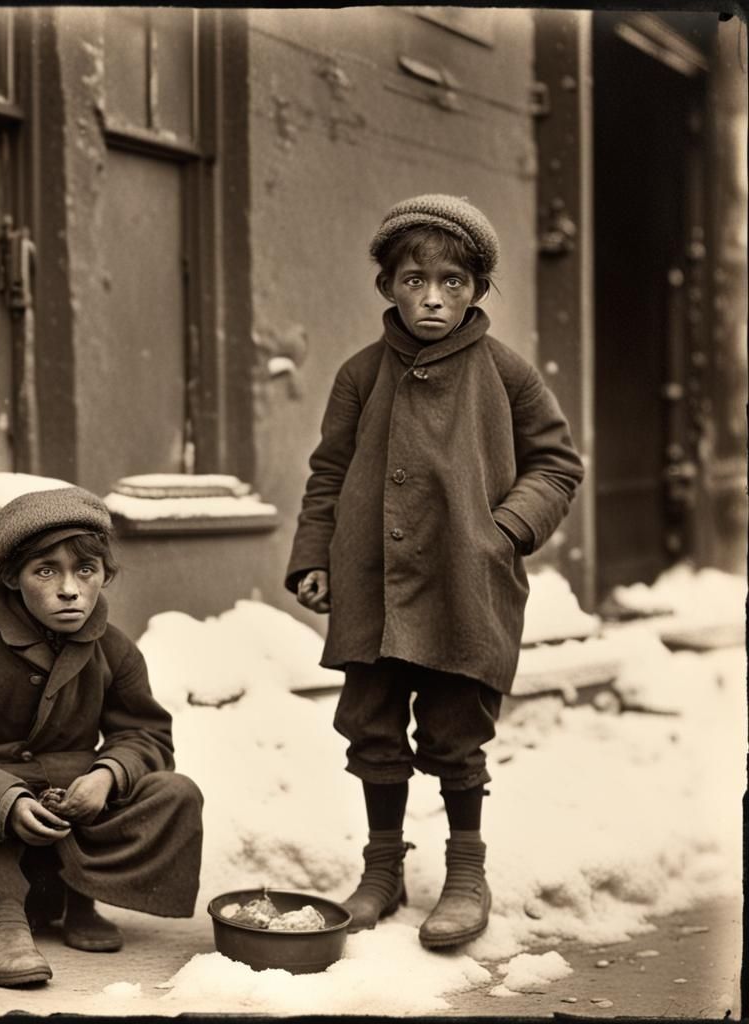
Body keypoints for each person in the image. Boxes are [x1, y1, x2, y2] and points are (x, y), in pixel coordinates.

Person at [285, 194, 584, 949]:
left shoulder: (507, 374)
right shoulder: (360, 375)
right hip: (372, 581)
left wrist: (503, 531)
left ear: (478, 290)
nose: (433, 297)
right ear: (387, 285)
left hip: (465, 579)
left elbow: (557, 464)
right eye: (415, 279)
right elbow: (328, 473)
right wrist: (314, 557)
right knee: (372, 726)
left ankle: (464, 872)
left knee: (456, 729)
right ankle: (382, 867)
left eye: (453, 282)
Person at [0, 486, 203, 988]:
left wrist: (107, 774)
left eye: (85, 570)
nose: (69, 589)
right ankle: (4, 911)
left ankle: (78, 895)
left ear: (105, 575)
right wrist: (6, 800)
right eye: (45, 571)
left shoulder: (115, 650)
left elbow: (145, 735)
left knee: (175, 792)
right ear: (12, 577)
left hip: (76, 805)